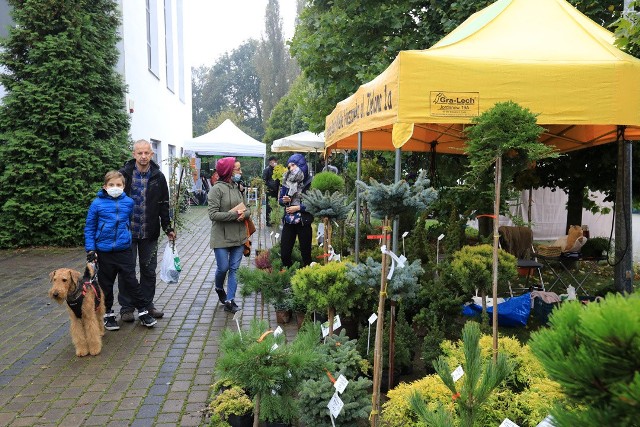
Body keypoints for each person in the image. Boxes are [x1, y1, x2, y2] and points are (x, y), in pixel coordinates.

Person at [85, 171, 157, 330]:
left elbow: (127, 221)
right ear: (105, 186)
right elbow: (90, 228)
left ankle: (143, 311)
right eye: (111, 185)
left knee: (131, 281)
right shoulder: (97, 204)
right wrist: (91, 249)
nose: (115, 187)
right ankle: (107, 314)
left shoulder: (129, 203)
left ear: (124, 186)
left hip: (123, 249)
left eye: (118, 185)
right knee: (106, 284)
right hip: (104, 251)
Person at [118, 139, 175, 322]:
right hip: (127, 231)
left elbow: (164, 205)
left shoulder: (158, 176)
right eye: (139, 153)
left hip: (149, 232)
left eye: (147, 153)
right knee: (127, 270)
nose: (143, 157)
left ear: (151, 154)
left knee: (149, 270)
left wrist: (168, 227)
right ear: (134, 154)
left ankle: (147, 304)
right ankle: (127, 307)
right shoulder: (124, 175)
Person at [208, 157, 250, 313]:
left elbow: (248, 209)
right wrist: (234, 215)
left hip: (239, 235)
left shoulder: (239, 188)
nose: (240, 172)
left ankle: (230, 300)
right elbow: (212, 214)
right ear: (228, 171)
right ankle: (219, 288)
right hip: (221, 236)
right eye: (237, 169)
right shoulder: (216, 190)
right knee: (223, 267)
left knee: (234, 269)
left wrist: (244, 214)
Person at [279, 153, 313, 268]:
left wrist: (298, 208)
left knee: (306, 255)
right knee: (284, 254)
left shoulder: (309, 182)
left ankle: (305, 278)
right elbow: (280, 200)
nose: (291, 168)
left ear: (301, 165)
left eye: (293, 165)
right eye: (289, 166)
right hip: (289, 221)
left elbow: (314, 204)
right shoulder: (287, 180)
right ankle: (290, 274)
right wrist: (284, 200)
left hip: (304, 222)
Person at [262, 156, 280, 226]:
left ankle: (273, 219)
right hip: (269, 190)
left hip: (276, 190)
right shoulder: (266, 170)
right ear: (270, 162)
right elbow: (264, 180)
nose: (275, 163)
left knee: (274, 205)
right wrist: (269, 186)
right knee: (269, 206)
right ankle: (268, 221)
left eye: (275, 161)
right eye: (273, 161)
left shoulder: (277, 169)